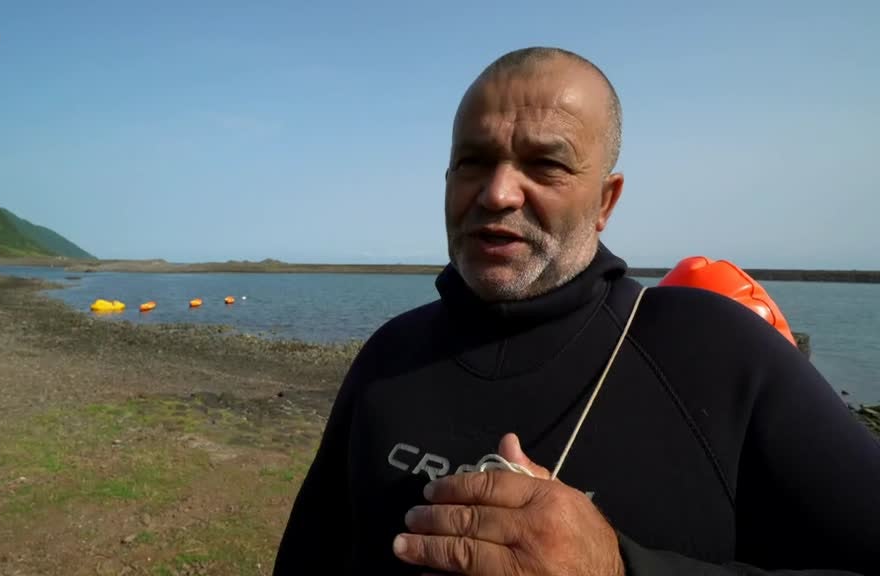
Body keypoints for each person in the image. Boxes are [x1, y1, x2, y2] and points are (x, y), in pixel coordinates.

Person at [272, 47, 880, 575]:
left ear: (605, 201)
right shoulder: (391, 353)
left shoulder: (717, 353)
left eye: (546, 164)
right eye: (474, 161)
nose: (498, 192)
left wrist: (621, 569)